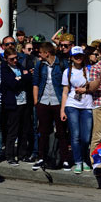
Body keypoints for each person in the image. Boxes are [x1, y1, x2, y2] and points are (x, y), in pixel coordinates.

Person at [32, 42, 72, 170]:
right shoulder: (40, 64)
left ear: (47, 53)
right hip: (43, 101)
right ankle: (42, 157)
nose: (39, 55)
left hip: (58, 101)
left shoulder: (62, 63)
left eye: (41, 52)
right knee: (43, 131)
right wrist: (36, 101)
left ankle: (64, 159)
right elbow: (36, 82)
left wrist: (64, 105)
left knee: (61, 131)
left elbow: (67, 83)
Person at [61, 46, 94, 175]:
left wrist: (85, 90)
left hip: (87, 105)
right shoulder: (67, 71)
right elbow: (65, 92)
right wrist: (62, 110)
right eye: (76, 56)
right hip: (72, 104)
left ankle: (85, 159)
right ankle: (78, 161)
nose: (78, 58)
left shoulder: (89, 70)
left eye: (80, 55)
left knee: (86, 137)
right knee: (75, 135)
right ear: (71, 58)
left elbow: (93, 87)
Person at [1, 48, 32, 166]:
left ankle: (22, 154)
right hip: (13, 103)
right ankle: (10, 155)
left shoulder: (19, 66)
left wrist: (21, 78)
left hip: (24, 102)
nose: (15, 60)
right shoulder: (4, 69)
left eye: (16, 58)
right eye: (11, 59)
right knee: (12, 130)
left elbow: (29, 77)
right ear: (6, 59)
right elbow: (11, 84)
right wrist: (22, 78)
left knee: (24, 130)